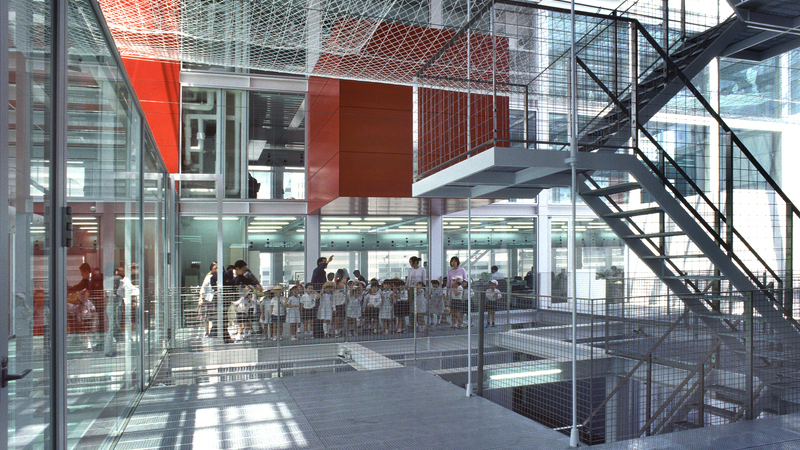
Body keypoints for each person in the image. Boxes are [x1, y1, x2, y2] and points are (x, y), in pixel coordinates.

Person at [104, 265, 124, 356]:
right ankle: (108, 350)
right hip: (114, 306)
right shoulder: (116, 279)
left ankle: (111, 349)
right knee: (112, 328)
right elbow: (120, 292)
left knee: (113, 328)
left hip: (110, 305)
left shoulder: (105, 281)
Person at [197, 262, 218, 337]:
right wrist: (201, 298)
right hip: (208, 299)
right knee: (206, 317)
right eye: (215, 268)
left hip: (216, 299)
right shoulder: (208, 277)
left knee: (214, 317)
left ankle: (213, 331)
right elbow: (203, 288)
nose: (216, 270)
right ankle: (207, 331)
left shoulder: (220, 277)